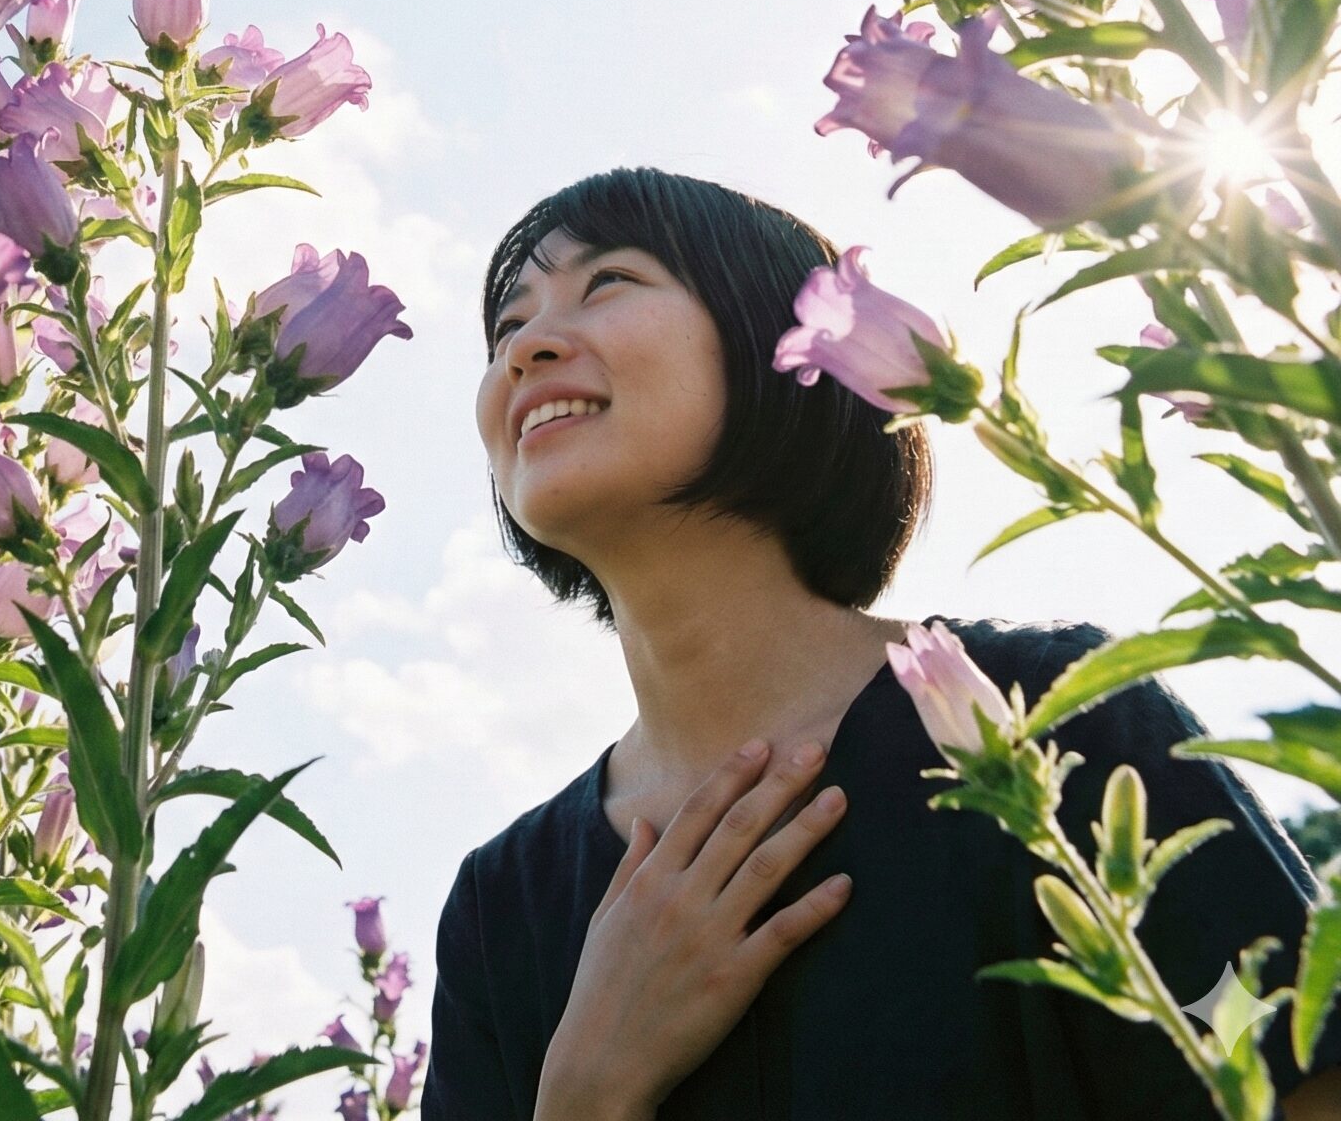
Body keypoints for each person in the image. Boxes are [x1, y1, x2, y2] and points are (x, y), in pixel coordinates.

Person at [421, 167, 1341, 1120]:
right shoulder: (501, 905)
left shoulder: (1049, 715)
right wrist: (587, 1091)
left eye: (606, 282)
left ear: (782, 346)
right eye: (506, 327)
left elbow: (1281, 1067)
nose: (526, 348)